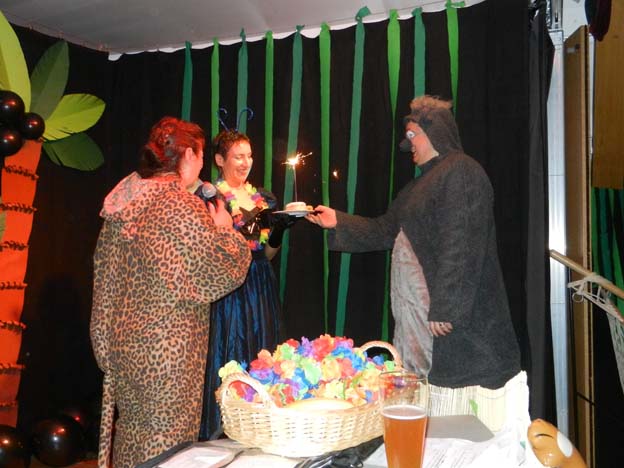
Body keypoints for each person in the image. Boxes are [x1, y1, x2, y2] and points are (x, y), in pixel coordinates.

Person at [306, 96, 521, 391]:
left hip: (458, 328)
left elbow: (462, 241)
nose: (408, 145)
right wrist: (338, 221)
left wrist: (446, 307)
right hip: (421, 326)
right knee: (428, 393)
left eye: (413, 134)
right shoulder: (416, 187)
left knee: (464, 403)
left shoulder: (460, 170)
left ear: (436, 132)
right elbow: (385, 230)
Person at [90, 117, 251, 468]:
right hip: (166, 352)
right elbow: (219, 273)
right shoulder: (179, 206)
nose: (202, 164)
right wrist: (226, 231)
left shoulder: (123, 201)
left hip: (119, 344)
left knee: (133, 435)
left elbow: (103, 275)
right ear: (189, 155)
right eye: (201, 155)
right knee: (167, 446)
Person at [198, 129, 295, 440]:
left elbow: (267, 255)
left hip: (260, 286)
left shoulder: (263, 199)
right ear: (219, 160)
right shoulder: (211, 199)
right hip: (229, 290)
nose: (246, 162)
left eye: (249, 156)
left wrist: (279, 230)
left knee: (262, 354)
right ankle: (224, 430)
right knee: (230, 354)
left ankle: (262, 428)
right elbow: (209, 253)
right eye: (238, 156)